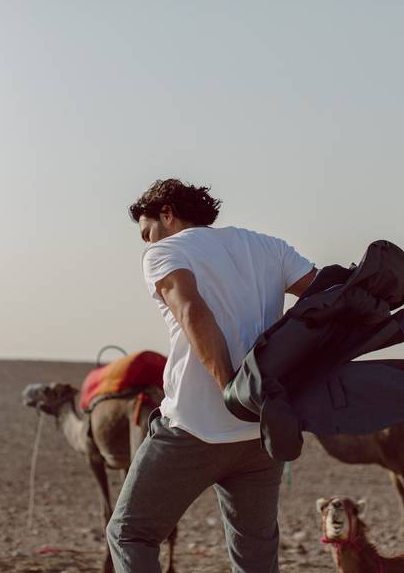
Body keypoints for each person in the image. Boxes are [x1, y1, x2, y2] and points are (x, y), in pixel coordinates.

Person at [106, 178, 316, 573]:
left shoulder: (164, 252)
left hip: (194, 427)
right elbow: (328, 302)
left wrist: (230, 389)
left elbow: (192, 312)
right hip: (261, 430)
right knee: (255, 559)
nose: (148, 243)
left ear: (167, 214)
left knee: (130, 534)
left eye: (147, 232)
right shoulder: (267, 246)